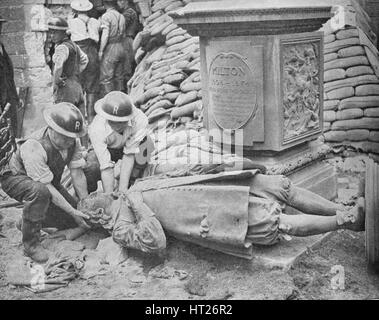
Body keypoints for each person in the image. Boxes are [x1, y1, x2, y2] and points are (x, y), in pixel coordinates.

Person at [0, 103, 91, 263]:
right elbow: (47, 188)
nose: (70, 141)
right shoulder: (34, 146)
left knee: (73, 218)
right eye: (65, 136)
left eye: (72, 137)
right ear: (52, 129)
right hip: (15, 178)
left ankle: (28, 221)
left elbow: (77, 174)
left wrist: (84, 205)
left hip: (46, 181)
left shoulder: (72, 142)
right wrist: (72, 210)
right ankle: (31, 244)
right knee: (40, 193)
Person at [85, 91, 153, 194]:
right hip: (109, 148)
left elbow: (129, 155)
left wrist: (123, 190)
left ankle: (132, 181)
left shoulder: (140, 120)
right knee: (91, 166)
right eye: (112, 121)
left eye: (121, 122)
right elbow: (106, 168)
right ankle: (89, 195)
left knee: (146, 146)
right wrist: (110, 196)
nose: (117, 125)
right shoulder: (96, 128)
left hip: (128, 145)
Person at [48, 17, 89, 118]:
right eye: (51, 32)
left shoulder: (61, 48)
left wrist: (56, 81)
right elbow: (85, 60)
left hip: (65, 88)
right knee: (78, 118)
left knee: (64, 119)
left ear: (63, 33)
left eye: (55, 33)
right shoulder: (73, 45)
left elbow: (58, 66)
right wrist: (75, 72)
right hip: (77, 86)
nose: (52, 35)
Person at [68, 0, 101, 123]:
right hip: (92, 52)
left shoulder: (71, 22)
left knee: (78, 85)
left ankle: (80, 118)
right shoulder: (95, 22)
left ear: (75, 10)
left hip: (78, 52)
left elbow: (67, 34)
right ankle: (91, 119)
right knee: (92, 86)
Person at [0, 16, 19, 175]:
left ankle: (12, 167)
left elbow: (8, 75)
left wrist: (15, 97)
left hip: (8, 96)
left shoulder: (1, 46)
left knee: (11, 131)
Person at [98, 0, 127, 95]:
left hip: (111, 48)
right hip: (121, 46)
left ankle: (108, 101)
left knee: (106, 78)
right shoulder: (121, 16)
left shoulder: (106, 16)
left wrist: (101, 51)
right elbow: (123, 34)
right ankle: (120, 100)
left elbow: (105, 35)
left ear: (105, 4)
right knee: (119, 76)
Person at [117, 0, 140, 90]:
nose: (118, 3)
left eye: (119, 1)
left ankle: (127, 91)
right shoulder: (129, 11)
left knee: (127, 68)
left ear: (124, 1)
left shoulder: (128, 12)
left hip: (127, 40)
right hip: (128, 40)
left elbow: (121, 27)